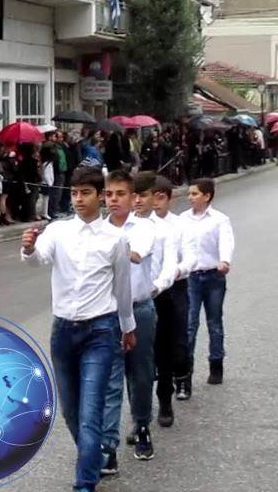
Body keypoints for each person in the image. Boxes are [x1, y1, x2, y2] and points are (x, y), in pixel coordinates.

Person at [21, 166, 135, 492]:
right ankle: (94, 455)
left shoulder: (115, 239)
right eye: (74, 193)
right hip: (63, 331)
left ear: (100, 196)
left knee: (90, 411)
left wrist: (127, 327)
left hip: (100, 331)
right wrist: (29, 248)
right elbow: (38, 259)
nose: (79, 199)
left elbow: (122, 288)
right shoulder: (58, 231)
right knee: (70, 410)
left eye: (86, 193)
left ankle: (84, 483)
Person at [100, 170, 158, 471]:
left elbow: (137, 254)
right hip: (107, 313)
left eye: (120, 194)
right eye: (109, 194)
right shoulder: (96, 230)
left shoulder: (144, 227)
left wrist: (116, 250)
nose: (114, 200)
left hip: (139, 308)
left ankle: (142, 424)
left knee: (140, 373)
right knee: (109, 380)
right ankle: (107, 446)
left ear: (133, 197)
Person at [132, 172, 181, 429]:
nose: (138, 201)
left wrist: (158, 286)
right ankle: (139, 417)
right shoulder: (123, 226)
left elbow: (170, 265)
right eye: (134, 195)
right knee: (135, 362)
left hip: (159, 297)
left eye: (143, 195)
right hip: (132, 302)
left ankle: (165, 399)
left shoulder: (164, 230)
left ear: (154, 197)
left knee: (163, 353)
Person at [178, 177, 234, 389]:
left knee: (214, 322)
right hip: (191, 277)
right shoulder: (183, 219)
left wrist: (225, 260)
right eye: (190, 193)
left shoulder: (219, 220)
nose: (190, 197)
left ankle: (216, 363)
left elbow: (226, 241)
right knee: (189, 324)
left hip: (213, 276)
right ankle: (186, 370)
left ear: (207, 196)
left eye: (194, 194)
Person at [149, 176, 193, 401]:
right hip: (151, 289)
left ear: (170, 199)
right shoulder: (142, 225)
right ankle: (160, 370)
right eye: (152, 198)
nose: (156, 203)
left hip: (176, 285)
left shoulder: (180, 225)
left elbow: (191, 257)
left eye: (160, 198)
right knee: (155, 336)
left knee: (179, 334)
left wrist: (176, 270)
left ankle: (183, 375)